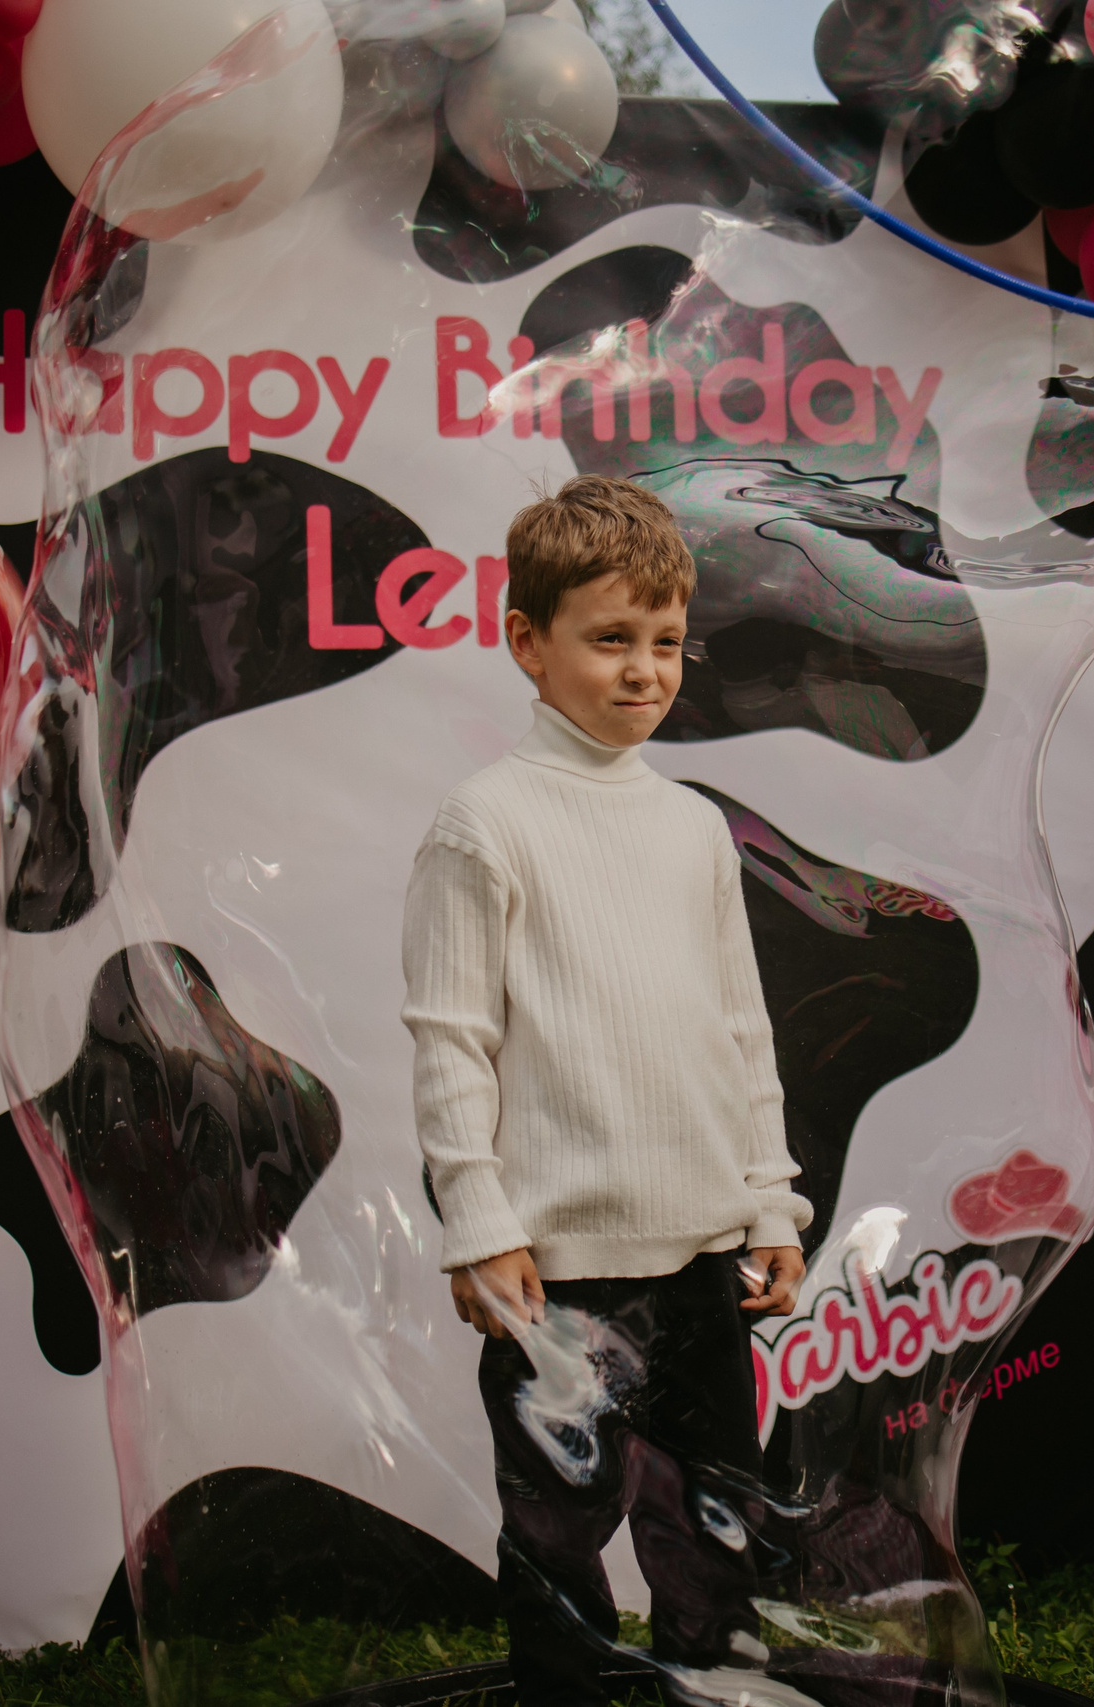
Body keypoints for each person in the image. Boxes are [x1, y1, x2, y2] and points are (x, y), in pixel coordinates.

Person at [401, 474, 814, 1701]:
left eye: (667, 644)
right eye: (610, 640)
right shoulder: (483, 825)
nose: (644, 671)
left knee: (714, 1533)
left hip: (698, 1263)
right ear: (527, 643)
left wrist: (769, 1208)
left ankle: (719, 1692)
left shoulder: (692, 827)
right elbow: (449, 1043)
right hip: (557, 1274)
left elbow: (741, 1033)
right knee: (557, 1537)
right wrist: (480, 1230)